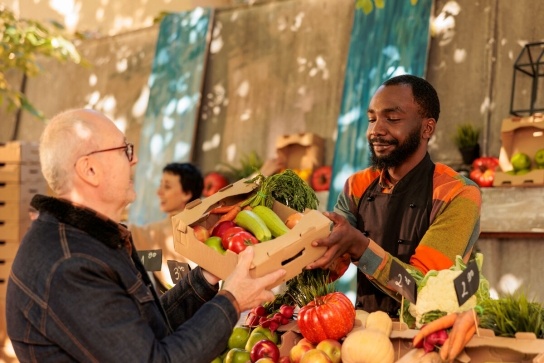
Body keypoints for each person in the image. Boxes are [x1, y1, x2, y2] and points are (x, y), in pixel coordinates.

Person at [6, 108, 286, 363]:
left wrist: (205, 278)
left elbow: (147, 329)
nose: (135, 159)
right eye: (124, 149)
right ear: (89, 170)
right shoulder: (70, 266)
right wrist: (232, 300)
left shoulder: (88, 238)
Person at [308, 74, 482, 317]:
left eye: (393, 118)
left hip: (431, 335)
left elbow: (421, 290)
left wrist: (360, 246)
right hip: (369, 332)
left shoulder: (457, 193)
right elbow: (329, 263)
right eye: (371, 119)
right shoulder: (357, 185)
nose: (376, 130)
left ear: (427, 128)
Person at [130, 162, 204, 294]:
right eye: (160, 185)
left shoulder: (200, 228)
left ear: (186, 194)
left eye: (167, 187)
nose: (159, 192)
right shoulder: (157, 233)